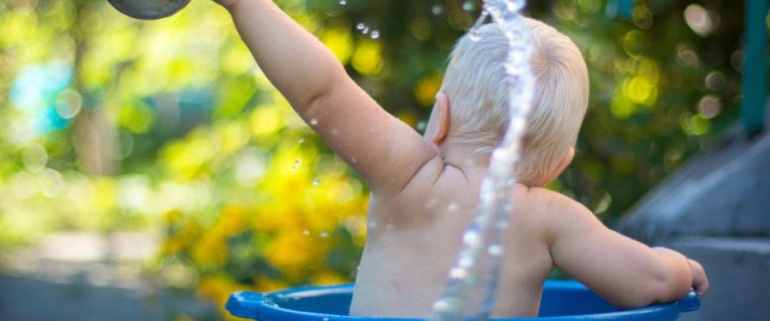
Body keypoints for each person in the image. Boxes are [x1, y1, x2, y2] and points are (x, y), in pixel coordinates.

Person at [211, 0, 709, 318]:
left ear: (439, 117)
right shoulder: (551, 218)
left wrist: (243, 3)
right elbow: (652, 283)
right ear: (560, 164)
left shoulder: (407, 175)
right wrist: (682, 267)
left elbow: (321, 92)